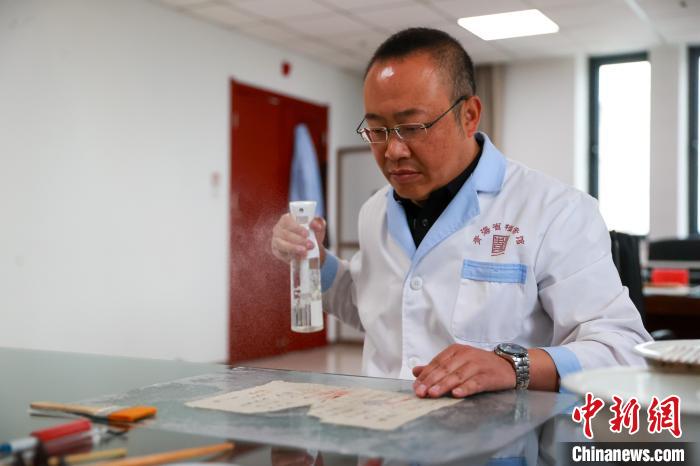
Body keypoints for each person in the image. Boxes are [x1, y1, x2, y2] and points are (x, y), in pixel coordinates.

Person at [271, 27, 651, 399]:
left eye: (412, 127)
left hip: (501, 434)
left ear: (469, 115)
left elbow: (622, 349)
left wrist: (513, 366)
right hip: (382, 427)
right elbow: (379, 310)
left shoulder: (555, 210)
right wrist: (315, 262)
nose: (393, 151)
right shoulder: (375, 211)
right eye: (377, 130)